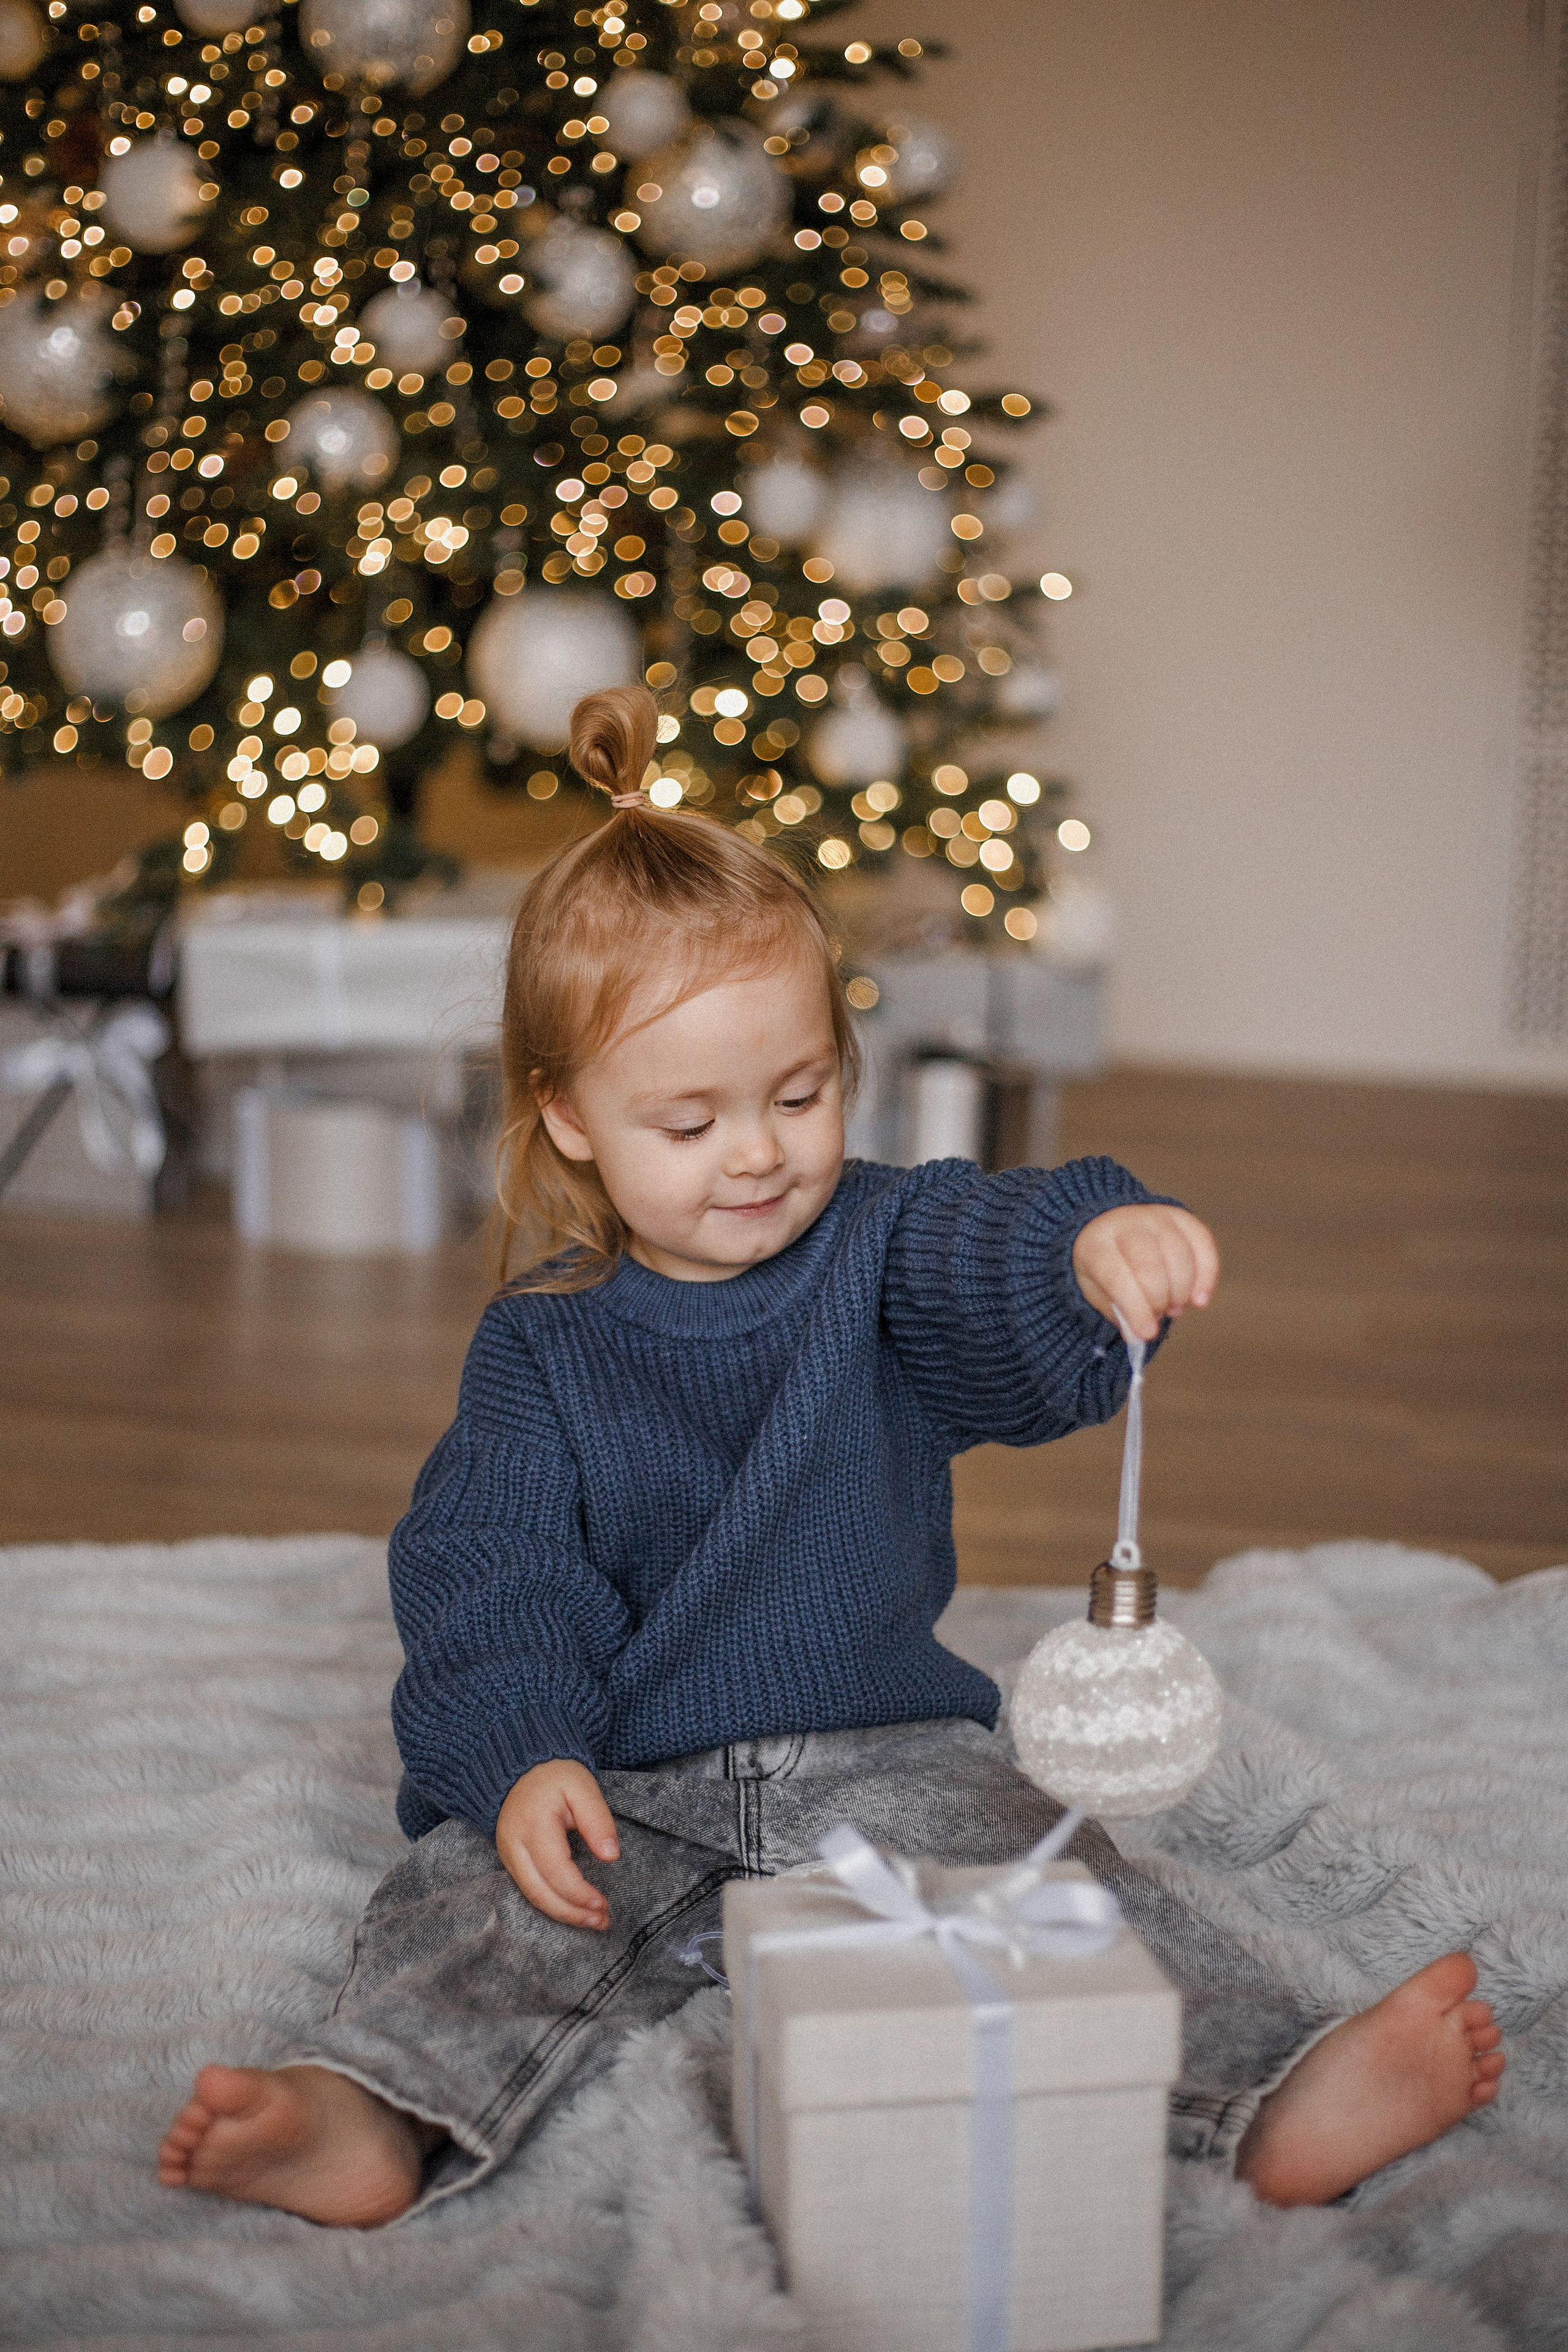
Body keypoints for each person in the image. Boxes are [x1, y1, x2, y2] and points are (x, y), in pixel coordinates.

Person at [159, 685, 1504, 2230]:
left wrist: (1089, 1244)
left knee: (1064, 1889)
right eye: (689, 1121)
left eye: (796, 1096)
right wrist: (524, 1753)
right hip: (622, 1775)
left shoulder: (873, 1241)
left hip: (886, 1750)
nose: (757, 1152)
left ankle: (1276, 2092)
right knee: (464, 1912)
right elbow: (493, 1572)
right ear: (570, 1116)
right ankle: (369, 2113)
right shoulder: (543, 1346)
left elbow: (986, 1244)